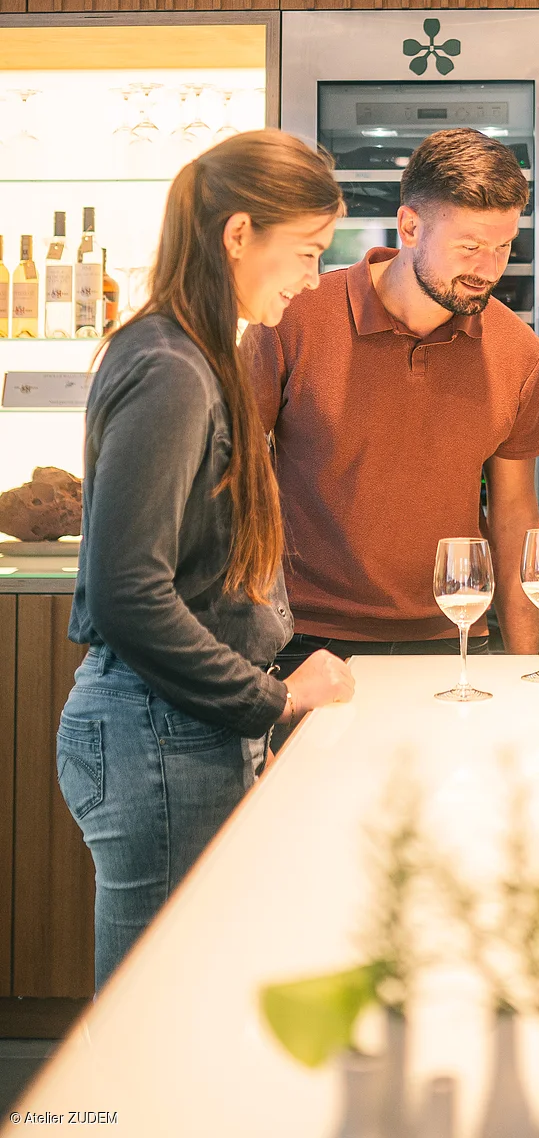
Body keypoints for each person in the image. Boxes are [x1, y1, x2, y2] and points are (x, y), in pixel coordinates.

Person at [57, 132, 356, 990]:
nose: (309, 279)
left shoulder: (188, 350)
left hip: (174, 731)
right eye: (303, 252)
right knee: (155, 1019)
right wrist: (276, 695)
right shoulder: (171, 367)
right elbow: (128, 594)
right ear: (238, 236)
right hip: (160, 737)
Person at [240, 126, 539, 663]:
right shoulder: (295, 317)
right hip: (305, 639)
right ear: (409, 226)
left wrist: (526, 666)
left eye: (503, 248)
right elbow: (232, 477)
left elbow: (514, 512)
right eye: (470, 247)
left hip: (456, 636)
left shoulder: (517, 349)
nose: (489, 269)